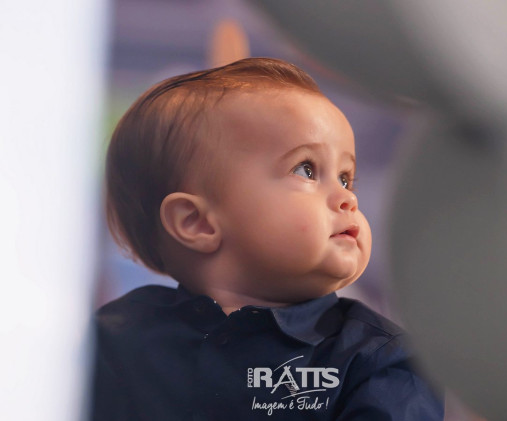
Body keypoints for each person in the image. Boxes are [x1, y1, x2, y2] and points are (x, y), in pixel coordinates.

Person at [92, 57, 443, 420]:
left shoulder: (379, 358)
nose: (347, 198)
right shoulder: (112, 343)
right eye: (306, 170)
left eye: (345, 178)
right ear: (197, 222)